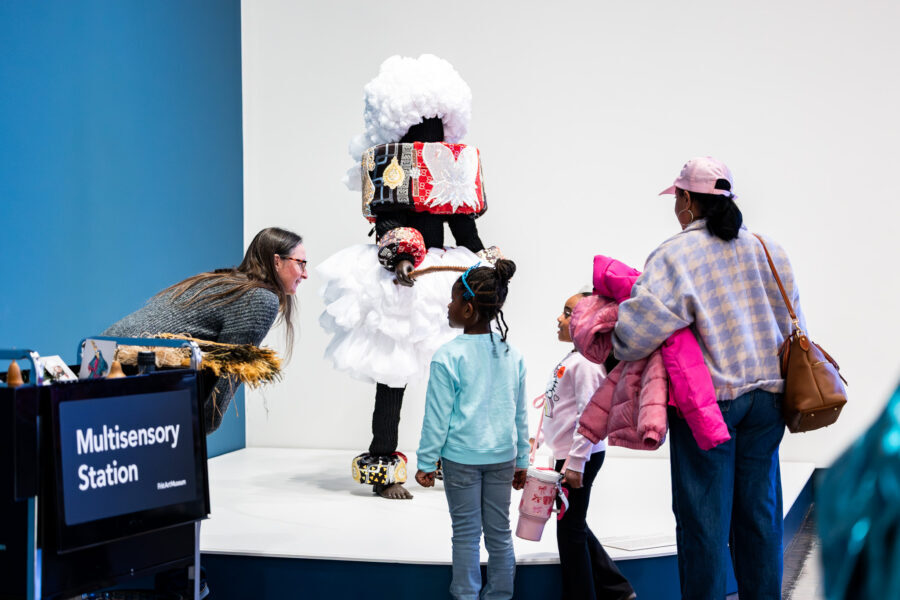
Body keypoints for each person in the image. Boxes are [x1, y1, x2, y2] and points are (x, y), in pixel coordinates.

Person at [612, 157, 805, 599]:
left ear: (684, 199)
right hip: (769, 402)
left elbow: (632, 337)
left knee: (704, 523)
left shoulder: (674, 255)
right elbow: (796, 325)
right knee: (759, 517)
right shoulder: (768, 249)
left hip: (710, 407)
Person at [318, 55, 501, 499]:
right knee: (393, 375)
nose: (433, 137)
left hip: (440, 272)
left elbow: (463, 224)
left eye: (439, 126)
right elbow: (386, 219)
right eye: (425, 126)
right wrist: (398, 255)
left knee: (451, 375)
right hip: (403, 278)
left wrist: (486, 256)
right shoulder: (391, 168)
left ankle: (442, 459)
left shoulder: (452, 170)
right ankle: (383, 467)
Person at [104, 226, 306, 434]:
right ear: (276, 261)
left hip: (100, 354)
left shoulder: (223, 281)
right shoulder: (261, 298)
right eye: (300, 264)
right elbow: (228, 377)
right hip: (128, 366)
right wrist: (199, 433)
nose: (305, 274)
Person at [414, 260, 528, 600]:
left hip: (460, 461)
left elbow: (437, 417)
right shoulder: (513, 354)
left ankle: (465, 597)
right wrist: (522, 459)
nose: (447, 307)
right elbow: (519, 413)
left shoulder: (447, 356)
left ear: (467, 308)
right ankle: (501, 596)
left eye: (451, 300)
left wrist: (425, 461)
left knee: (465, 535)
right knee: (500, 534)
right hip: (503, 458)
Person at [534, 292, 635, 600]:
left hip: (579, 458)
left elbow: (588, 417)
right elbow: (558, 407)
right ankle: (618, 590)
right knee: (574, 525)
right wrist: (537, 440)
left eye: (568, 313)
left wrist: (575, 462)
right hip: (566, 456)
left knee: (570, 532)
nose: (560, 319)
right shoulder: (573, 358)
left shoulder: (588, 364)